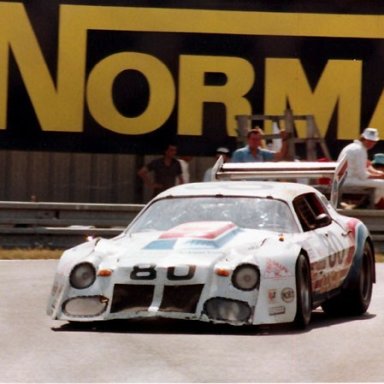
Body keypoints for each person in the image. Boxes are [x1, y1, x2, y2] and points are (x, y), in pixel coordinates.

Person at [337, 127, 384, 209]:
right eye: (369, 140)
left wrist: (377, 174)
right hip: (348, 181)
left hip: (344, 179)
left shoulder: (354, 147)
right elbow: (362, 175)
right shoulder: (359, 150)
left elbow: (365, 167)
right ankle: (366, 206)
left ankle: (364, 205)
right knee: (382, 184)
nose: (371, 143)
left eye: (373, 141)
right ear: (363, 138)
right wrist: (379, 176)